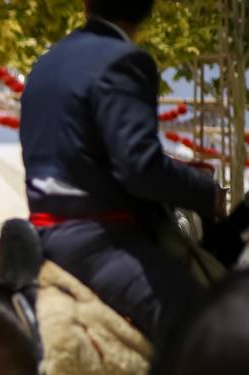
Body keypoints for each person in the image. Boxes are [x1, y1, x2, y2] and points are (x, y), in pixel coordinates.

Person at [20, 0, 228, 340]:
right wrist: (209, 194)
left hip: (42, 234)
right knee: (205, 328)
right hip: (101, 241)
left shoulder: (46, 62)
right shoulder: (123, 59)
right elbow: (139, 166)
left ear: (87, 4)